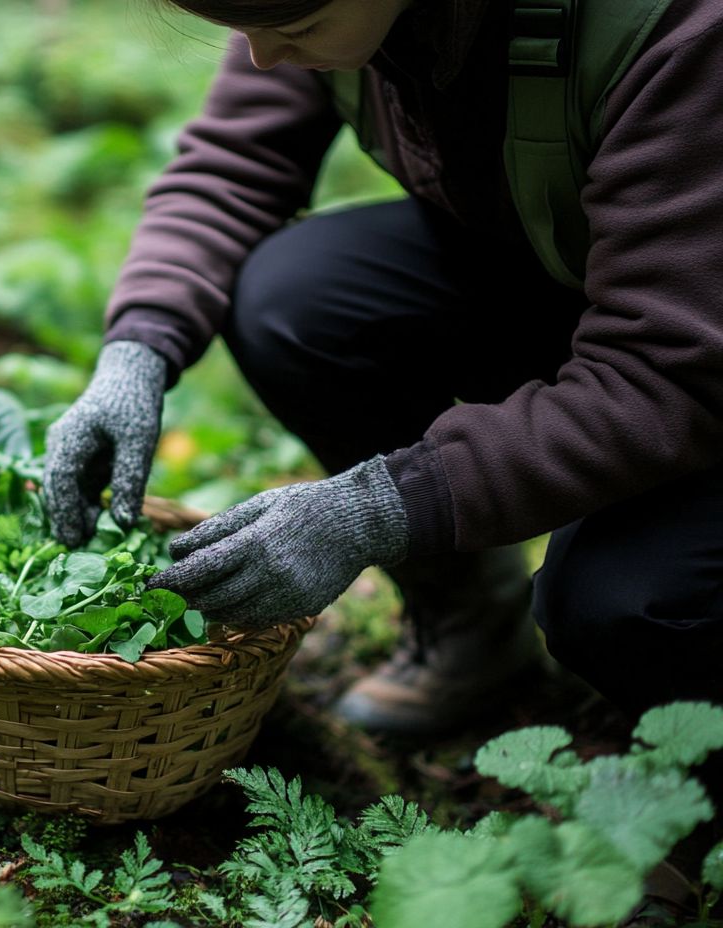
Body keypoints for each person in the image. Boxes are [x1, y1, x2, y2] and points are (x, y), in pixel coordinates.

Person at [42, 0, 723, 734]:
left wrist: (382, 508)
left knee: (617, 600)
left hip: (688, 351)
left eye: (296, 32)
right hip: (592, 288)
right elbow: (232, 165)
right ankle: (474, 627)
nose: (262, 60)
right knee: (296, 299)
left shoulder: (677, 33)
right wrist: (138, 349)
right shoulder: (318, 7)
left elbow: (667, 373)